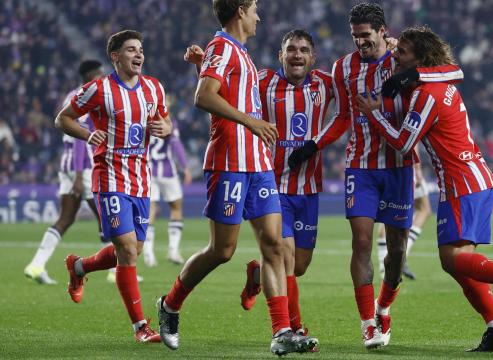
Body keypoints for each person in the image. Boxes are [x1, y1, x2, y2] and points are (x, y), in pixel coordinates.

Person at [356, 25, 493, 352]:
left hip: (461, 183)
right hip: (475, 179)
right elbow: (437, 70)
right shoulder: (437, 82)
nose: (397, 57)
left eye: (403, 54)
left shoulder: (428, 94)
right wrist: (400, 61)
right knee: (458, 260)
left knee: (451, 259)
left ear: (421, 59)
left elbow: (403, 144)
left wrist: (373, 115)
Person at [156, 0, 318, 355]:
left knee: (274, 245)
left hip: (258, 164)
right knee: (222, 250)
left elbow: (226, 86)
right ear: (241, 10)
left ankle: (282, 332)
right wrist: (251, 121)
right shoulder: (222, 46)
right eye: (255, 8)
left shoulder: (238, 52)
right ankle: (170, 304)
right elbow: (204, 96)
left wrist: (203, 65)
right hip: (229, 162)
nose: (259, 15)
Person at [288, 2, 415, 349]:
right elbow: (343, 116)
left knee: (397, 251)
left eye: (366, 36)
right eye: (355, 36)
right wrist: (314, 145)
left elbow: (438, 76)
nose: (360, 42)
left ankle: (384, 306)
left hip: (398, 165)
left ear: (382, 32)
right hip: (360, 166)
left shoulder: (401, 59)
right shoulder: (344, 68)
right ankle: (368, 324)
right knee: (361, 241)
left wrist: (407, 74)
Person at [56, 29, 173, 343]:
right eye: (131, 49)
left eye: (141, 49)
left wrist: (165, 127)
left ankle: (79, 266)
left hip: (141, 180)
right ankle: (141, 328)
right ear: (115, 56)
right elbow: (63, 118)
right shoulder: (99, 89)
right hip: (109, 178)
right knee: (126, 250)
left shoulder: (154, 88)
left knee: (133, 249)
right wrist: (86, 133)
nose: (139, 55)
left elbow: (166, 121)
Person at [236, 29, 333, 341]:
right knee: (286, 256)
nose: (297, 55)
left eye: (304, 50)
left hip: (308, 188)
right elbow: (229, 91)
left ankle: (257, 275)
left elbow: (357, 88)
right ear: (281, 55)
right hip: (271, 185)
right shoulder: (263, 81)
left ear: (312, 57)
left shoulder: (325, 83)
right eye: (291, 49)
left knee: (299, 266)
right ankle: (293, 328)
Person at [24, 60, 105, 285]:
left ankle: (36, 265)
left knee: (66, 218)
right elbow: (81, 138)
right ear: (90, 75)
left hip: (66, 165)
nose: (102, 77)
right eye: (99, 73)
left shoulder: (70, 95)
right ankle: (114, 271)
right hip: (84, 167)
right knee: (105, 217)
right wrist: (80, 176)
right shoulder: (86, 96)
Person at [143, 107, 192, 267]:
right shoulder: (168, 121)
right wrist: (185, 167)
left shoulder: (144, 118)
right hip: (167, 171)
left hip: (149, 170)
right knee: (176, 207)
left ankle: (149, 254)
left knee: (150, 210)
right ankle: (173, 250)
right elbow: (176, 144)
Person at [376, 160, 432, 279]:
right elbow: (411, 142)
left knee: (388, 212)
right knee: (424, 209)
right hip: (404, 165)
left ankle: (383, 267)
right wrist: (417, 168)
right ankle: (400, 256)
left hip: (381, 165)